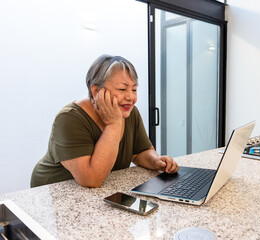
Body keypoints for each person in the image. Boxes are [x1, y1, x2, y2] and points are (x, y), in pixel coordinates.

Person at [31, 54, 179, 188]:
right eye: (122, 89)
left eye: (134, 89)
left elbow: (140, 151)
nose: (131, 97)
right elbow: (91, 179)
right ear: (96, 91)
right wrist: (114, 124)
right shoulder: (69, 118)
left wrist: (156, 161)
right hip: (51, 193)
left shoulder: (129, 112)